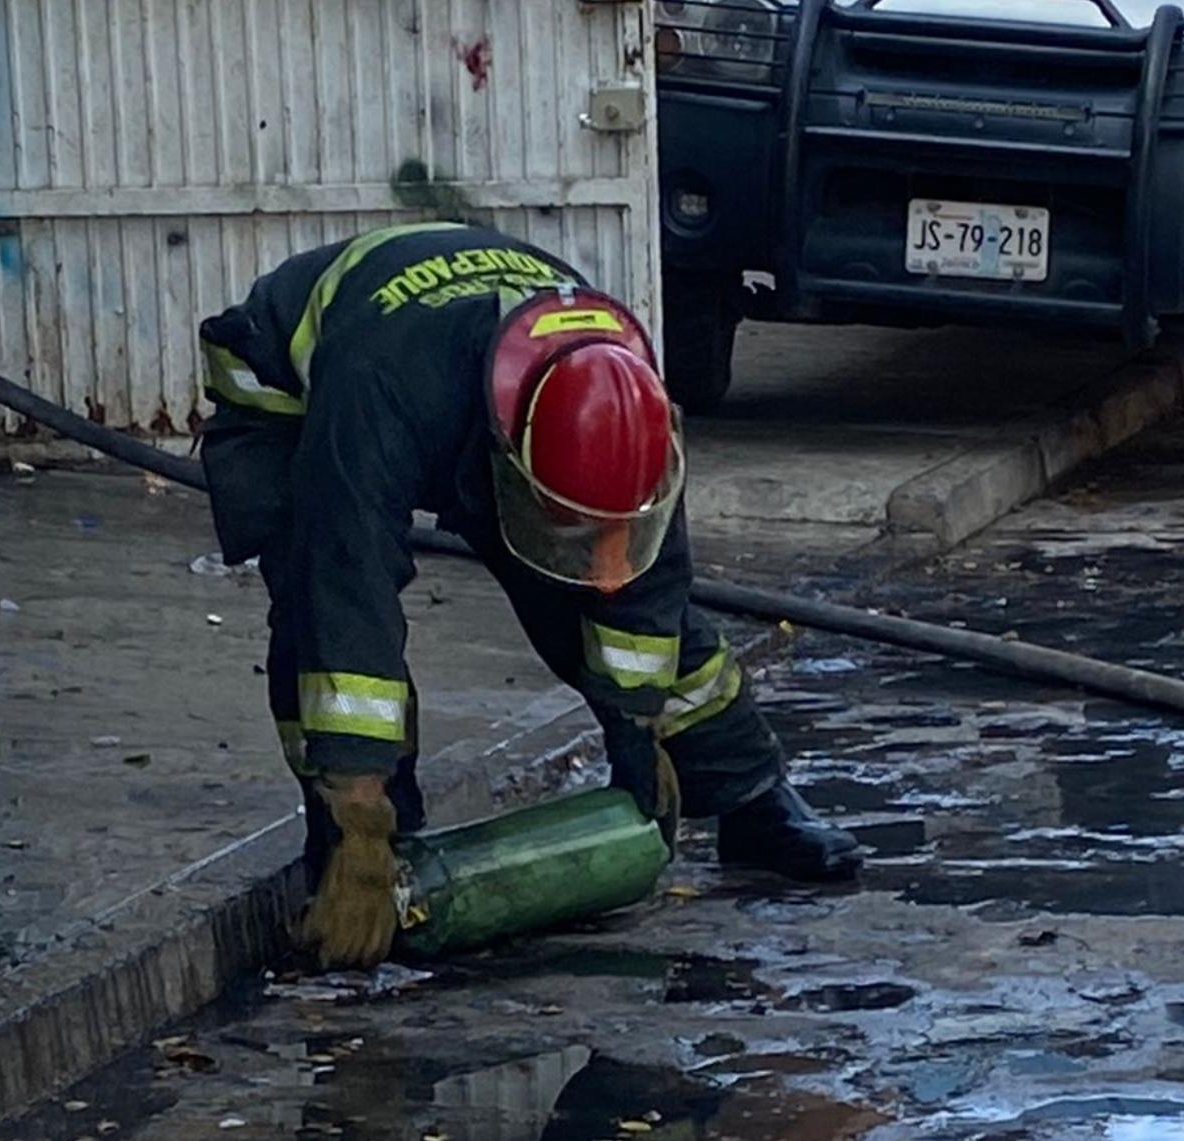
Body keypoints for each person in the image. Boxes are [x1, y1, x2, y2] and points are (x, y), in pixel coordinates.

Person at [197, 222, 862, 970]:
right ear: (510, 458)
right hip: (289, 395)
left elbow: (645, 589)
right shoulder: (380, 392)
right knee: (323, 622)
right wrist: (361, 813)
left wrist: (638, 727)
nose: (611, 571)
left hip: (475, 378)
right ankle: (369, 853)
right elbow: (345, 592)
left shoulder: (624, 391)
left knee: (610, 598)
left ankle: (749, 795)